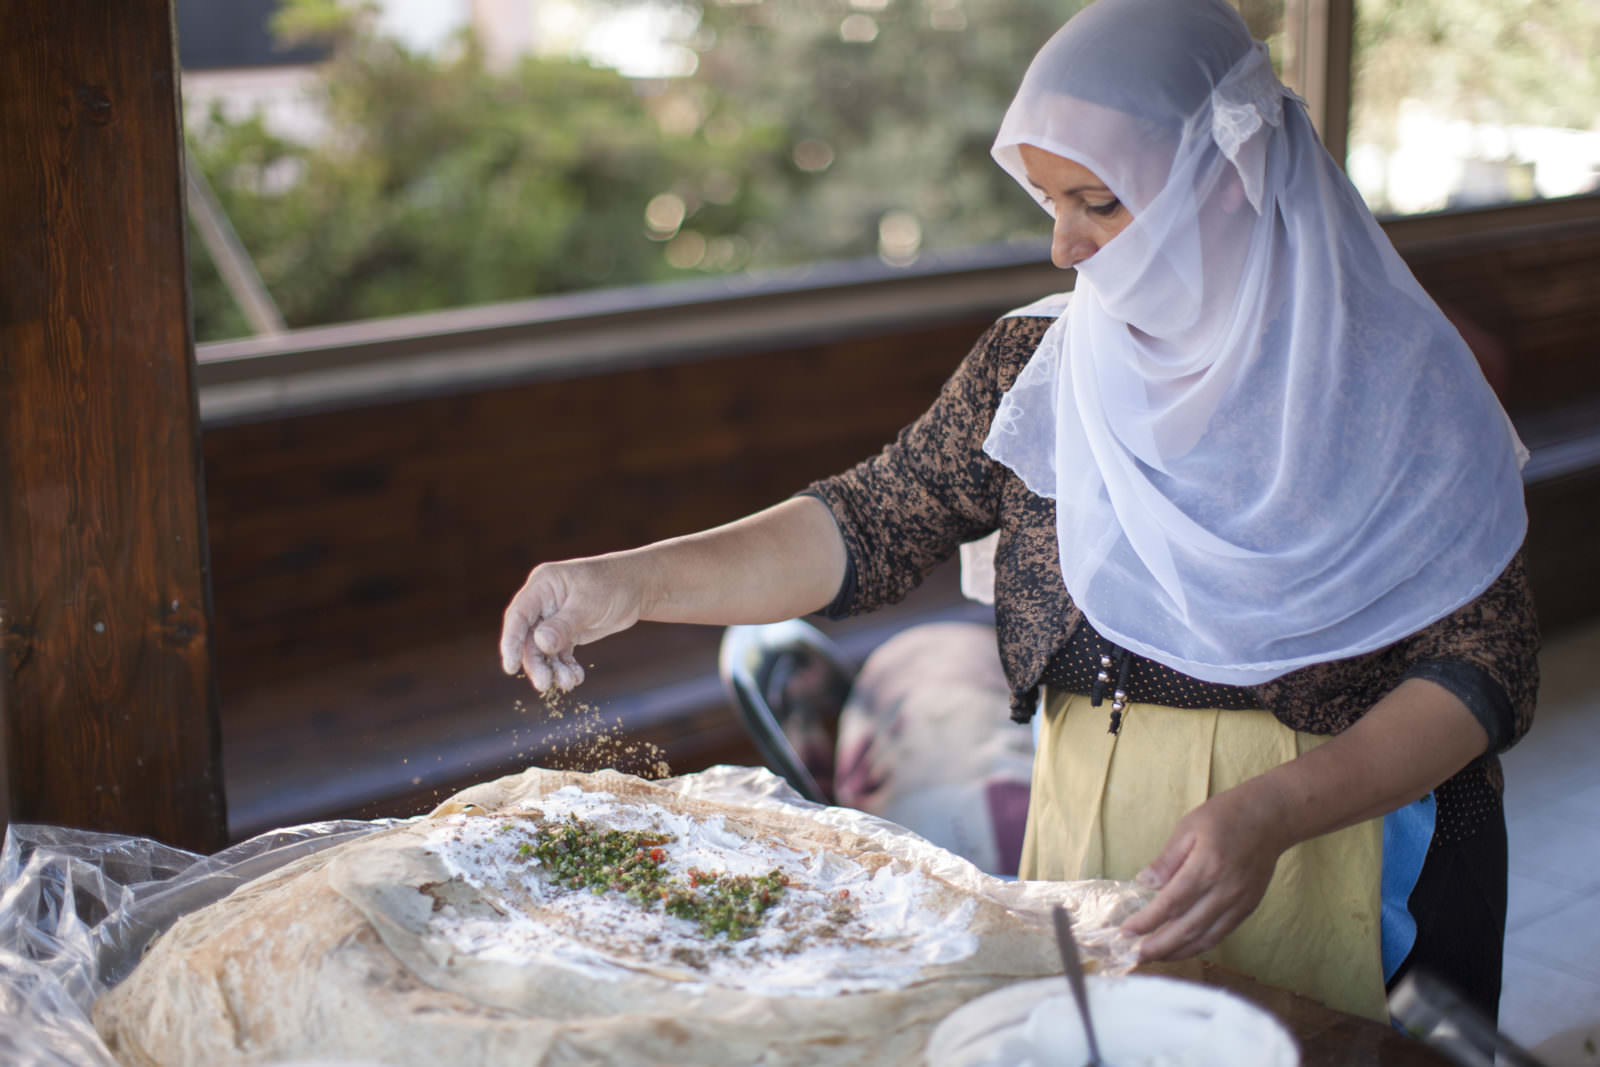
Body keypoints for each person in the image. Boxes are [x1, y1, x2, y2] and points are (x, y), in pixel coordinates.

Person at [500, 0, 1537, 1025]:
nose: (1063, 247)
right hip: (1096, 829)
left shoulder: (1388, 383)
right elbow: (864, 522)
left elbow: (1478, 663)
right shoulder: (1038, 369)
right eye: (1046, 201)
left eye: (1098, 202)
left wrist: (1273, 811)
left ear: (1225, 184)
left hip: (1343, 837)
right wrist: (628, 580)